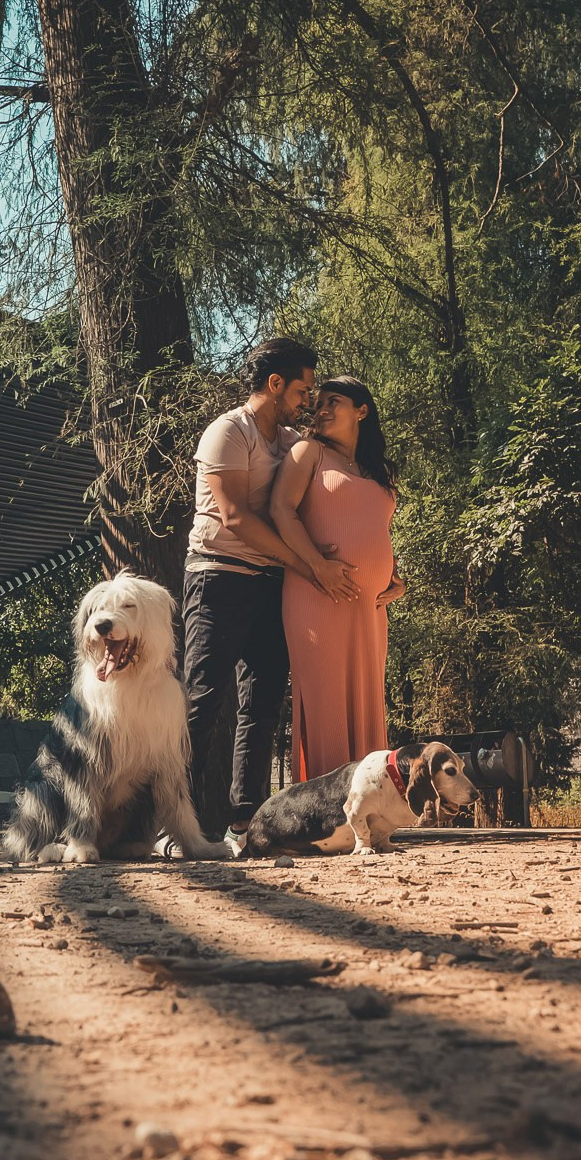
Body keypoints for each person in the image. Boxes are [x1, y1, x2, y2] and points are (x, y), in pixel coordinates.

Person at [182, 337, 358, 851]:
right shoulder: (227, 432)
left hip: (270, 585)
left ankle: (246, 826)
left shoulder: (286, 440)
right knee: (203, 700)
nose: (309, 401)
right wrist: (309, 566)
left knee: (260, 709)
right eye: (303, 389)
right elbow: (235, 517)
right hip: (217, 577)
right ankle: (170, 826)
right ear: (275, 384)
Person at [270, 376, 403, 782]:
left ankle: (370, 803)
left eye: (334, 401)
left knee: (366, 700)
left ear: (362, 410)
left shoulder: (377, 471)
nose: (321, 409)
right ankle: (325, 809)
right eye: (318, 401)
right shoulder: (308, 452)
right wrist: (318, 567)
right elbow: (281, 511)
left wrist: (395, 576)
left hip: (369, 607)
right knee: (325, 698)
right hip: (316, 594)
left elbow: (377, 527)